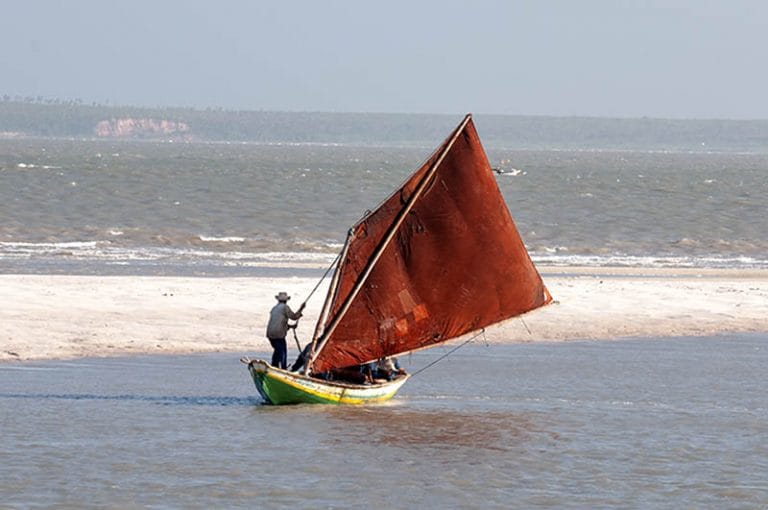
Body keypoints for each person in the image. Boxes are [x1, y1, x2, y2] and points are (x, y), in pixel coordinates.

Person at [266, 291, 304, 369]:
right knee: (283, 352)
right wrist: (301, 309)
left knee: (277, 350)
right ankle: (283, 368)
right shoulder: (284, 307)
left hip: (270, 334)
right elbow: (294, 317)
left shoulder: (274, 308)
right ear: (286, 300)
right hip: (278, 335)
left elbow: (279, 323)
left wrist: (290, 326)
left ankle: (274, 366)